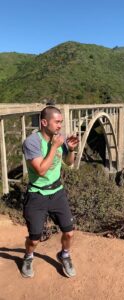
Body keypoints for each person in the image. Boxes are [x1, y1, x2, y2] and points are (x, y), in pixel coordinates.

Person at [21, 106, 79, 278]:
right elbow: (41, 170)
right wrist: (55, 146)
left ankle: (65, 255)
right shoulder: (32, 142)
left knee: (69, 232)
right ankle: (28, 256)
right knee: (34, 239)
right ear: (44, 122)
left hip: (57, 193)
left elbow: (68, 163)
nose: (60, 126)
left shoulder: (58, 139)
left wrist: (71, 149)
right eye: (57, 122)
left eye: (61, 122)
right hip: (37, 195)